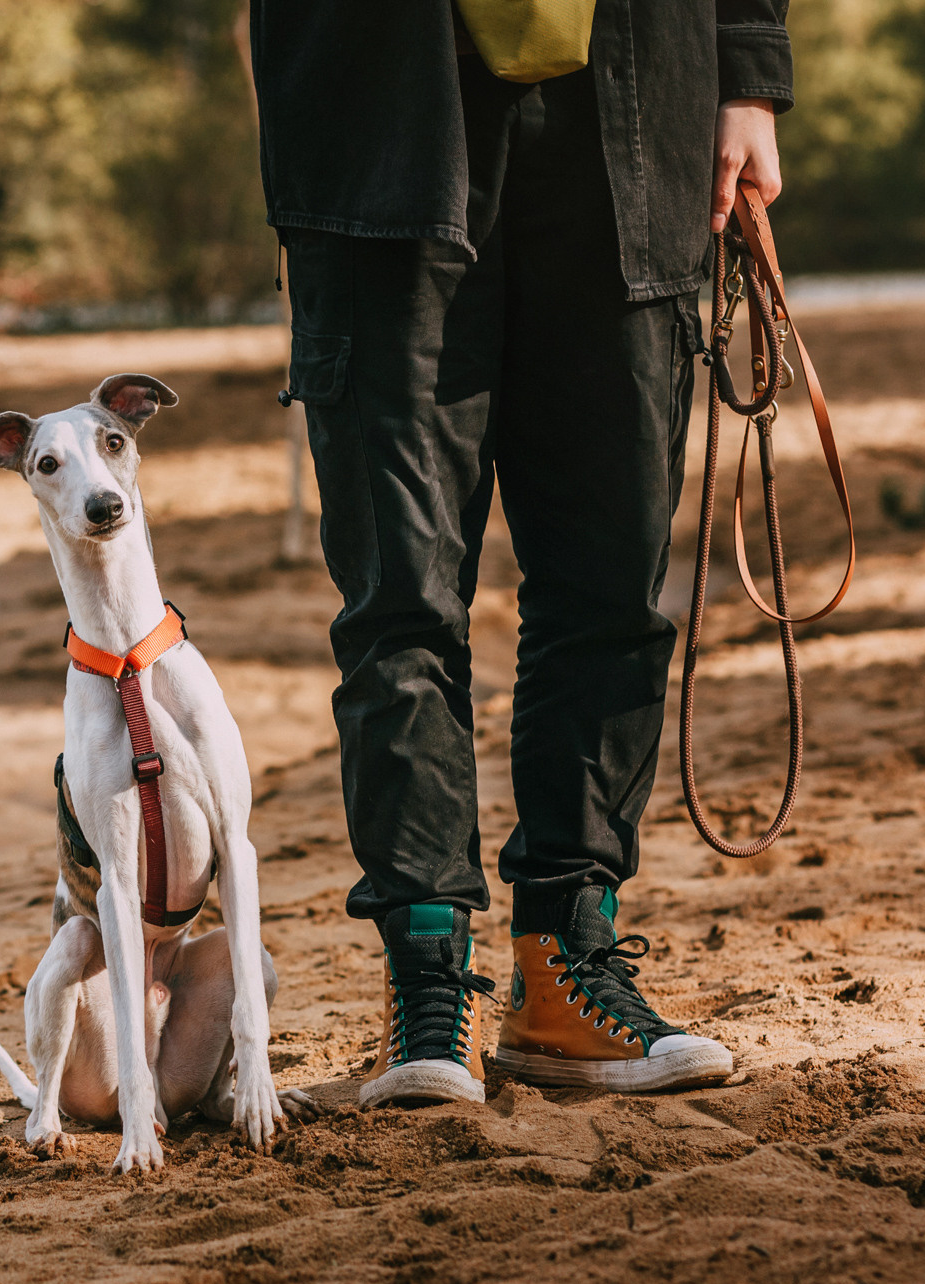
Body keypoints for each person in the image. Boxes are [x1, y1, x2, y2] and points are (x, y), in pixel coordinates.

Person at [249, 0, 790, 1103]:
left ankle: (565, 968)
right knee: (400, 595)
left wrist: (745, 73)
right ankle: (426, 984)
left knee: (609, 588)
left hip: (632, 112)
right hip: (374, 121)